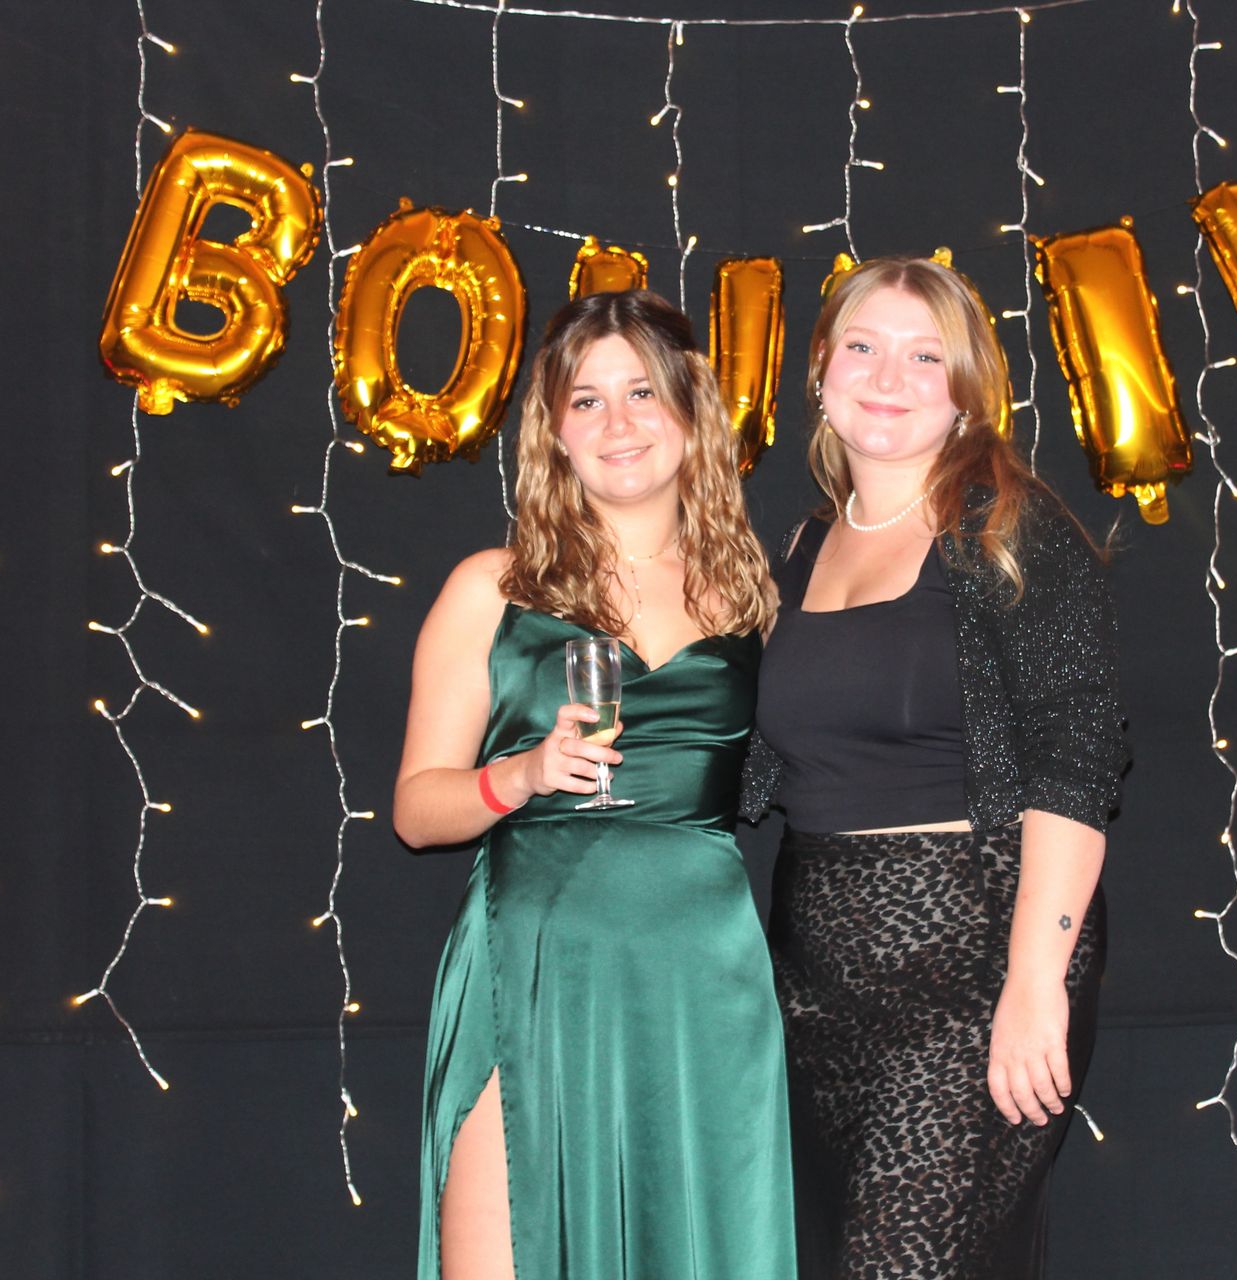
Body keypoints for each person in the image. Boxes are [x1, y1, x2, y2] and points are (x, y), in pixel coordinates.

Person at [741, 256, 1129, 1278]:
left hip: (974, 963)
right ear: (820, 368)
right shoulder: (802, 547)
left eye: (925, 356)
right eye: (863, 346)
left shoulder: (1010, 529)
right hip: (814, 985)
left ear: (966, 389)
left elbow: (1076, 762)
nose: (888, 376)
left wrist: (1034, 981)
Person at [393, 289, 793, 1280]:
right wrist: (522, 773)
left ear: (690, 411)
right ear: (554, 432)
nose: (618, 422)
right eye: (587, 400)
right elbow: (416, 810)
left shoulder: (754, 599)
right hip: (536, 961)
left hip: (699, 976)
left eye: (642, 392)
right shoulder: (492, 587)